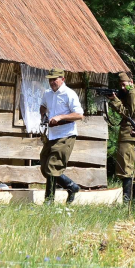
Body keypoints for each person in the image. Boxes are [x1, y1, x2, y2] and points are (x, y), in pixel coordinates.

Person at [39, 68, 84, 204]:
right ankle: (71, 186)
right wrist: (43, 114)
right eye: (50, 79)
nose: (52, 82)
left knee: (52, 166)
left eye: (55, 79)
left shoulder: (69, 94)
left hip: (66, 134)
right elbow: (43, 105)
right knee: (44, 165)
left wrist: (60, 117)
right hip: (51, 134)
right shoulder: (47, 93)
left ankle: (49, 201)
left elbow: (79, 115)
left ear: (62, 79)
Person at [108, 71, 135, 204]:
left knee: (127, 169)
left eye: (124, 84)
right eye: (120, 85)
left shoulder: (133, 93)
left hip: (129, 134)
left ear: (131, 82)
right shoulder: (130, 93)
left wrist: (115, 100)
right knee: (131, 168)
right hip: (129, 134)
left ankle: (128, 202)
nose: (122, 87)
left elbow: (128, 113)